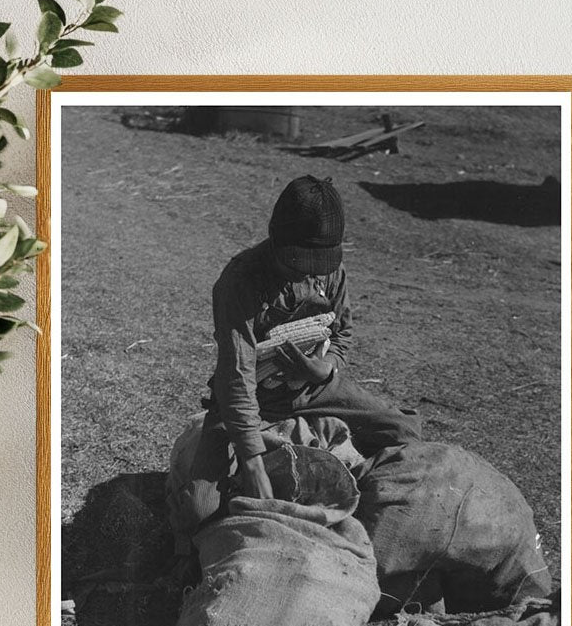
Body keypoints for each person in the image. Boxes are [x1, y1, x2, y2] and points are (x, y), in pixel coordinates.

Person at [176, 174, 421, 544]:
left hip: (312, 388)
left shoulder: (330, 271)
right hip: (252, 398)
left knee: (403, 430)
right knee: (199, 511)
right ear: (277, 240)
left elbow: (342, 333)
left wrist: (322, 369)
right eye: (297, 263)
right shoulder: (239, 280)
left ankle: (344, 477)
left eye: (316, 264)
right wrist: (253, 461)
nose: (308, 272)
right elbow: (236, 377)